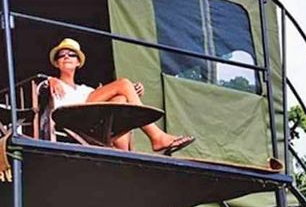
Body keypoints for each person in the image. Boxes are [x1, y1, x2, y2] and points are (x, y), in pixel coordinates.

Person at [46, 37, 195, 154]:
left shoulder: (85, 90)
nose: (66, 57)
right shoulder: (49, 82)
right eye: (61, 55)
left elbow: (102, 96)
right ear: (57, 63)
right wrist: (50, 79)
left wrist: (132, 92)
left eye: (71, 54)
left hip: (90, 121)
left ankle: (122, 151)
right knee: (123, 83)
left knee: (122, 99)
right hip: (72, 118)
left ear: (78, 62)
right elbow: (40, 87)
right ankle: (157, 137)